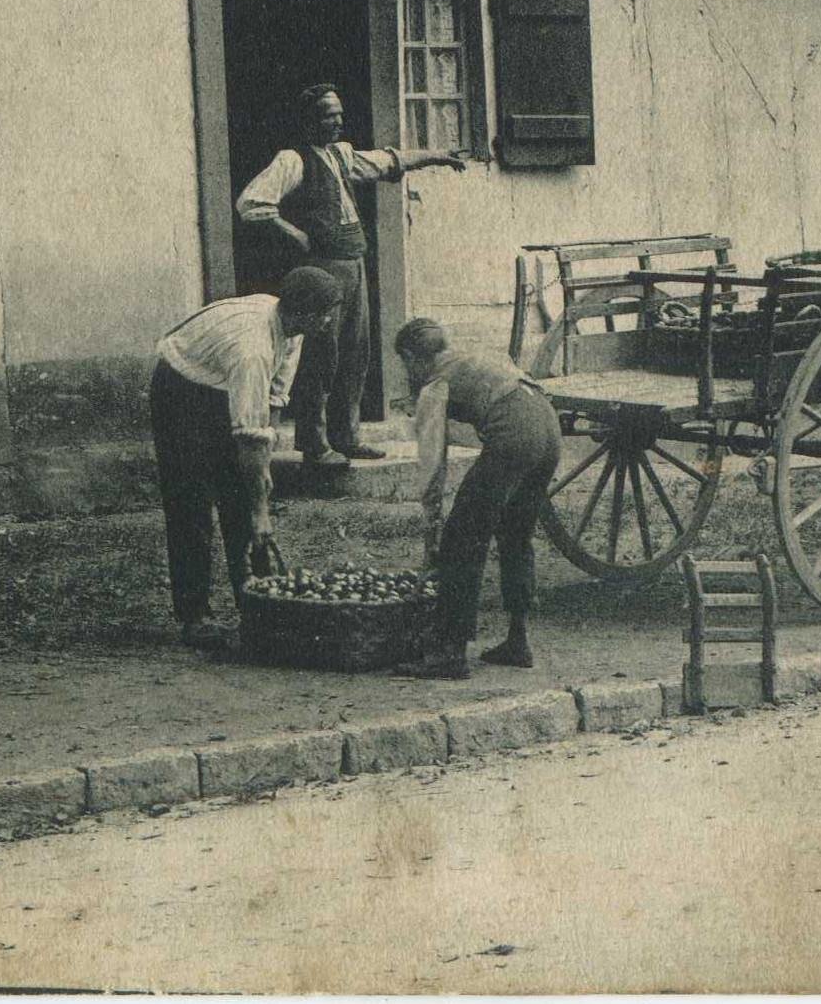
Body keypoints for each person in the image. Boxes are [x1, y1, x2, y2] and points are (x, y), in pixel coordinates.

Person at [236, 84, 467, 466]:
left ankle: (347, 436)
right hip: (323, 271)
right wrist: (293, 232)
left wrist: (436, 156)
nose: (338, 121)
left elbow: (388, 161)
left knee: (355, 355)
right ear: (308, 121)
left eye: (339, 114)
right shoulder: (292, 160)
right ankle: (314, 444)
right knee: (321, 357)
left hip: (353, 267)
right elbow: (252, 203)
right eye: (329, 115)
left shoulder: (342, 156)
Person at [150, 266, 344, 647]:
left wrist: (263, 471)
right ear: (302, 312)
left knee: (240, 490)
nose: (328, 321)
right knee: (192, 501)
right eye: (323, 313)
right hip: (181, 387)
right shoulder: (252, 348)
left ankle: (254, 601)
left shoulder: (292, 332)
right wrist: (262, 511)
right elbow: (249, 435)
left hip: (221, 381)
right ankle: (195, 616)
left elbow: (271, 403)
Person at [392, 318, 563, 680]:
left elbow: (431, 462)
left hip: (515, 432)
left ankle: (450, 653)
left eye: (405, 363)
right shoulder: (469, 352)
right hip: (548, 425)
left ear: (411, 358)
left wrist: (434, 526)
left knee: (462, 537)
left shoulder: (434, 384)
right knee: (516, 533)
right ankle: (518, 640)